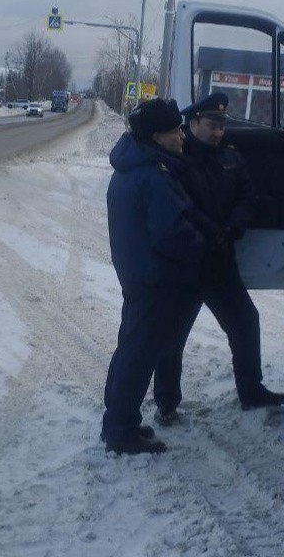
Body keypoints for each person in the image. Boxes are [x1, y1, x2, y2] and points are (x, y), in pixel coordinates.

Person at [153, 92, 284, 426]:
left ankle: (251, 390)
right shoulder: (175, 157)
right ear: (194, 122)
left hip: (220, 263)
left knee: (246, 322)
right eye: (213, 125)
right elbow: (177, 205)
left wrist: (232, 228)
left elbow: (248, 195)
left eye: (222, 126)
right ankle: (167, 403)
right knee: (172, 337)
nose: (219, 132)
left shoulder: (230, 156)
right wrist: (210, 232)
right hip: (186, 264)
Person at [102, 98, 207, 455]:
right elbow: (170, 234)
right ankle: (121, 430)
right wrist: (201, 245)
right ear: (158, 136)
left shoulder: (135, 165)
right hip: (153, 278)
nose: (181, 136)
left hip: (138, 274)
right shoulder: (152, 175)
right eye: (176, 130)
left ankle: (119, 416)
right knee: (139, 353)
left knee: (131, 346)